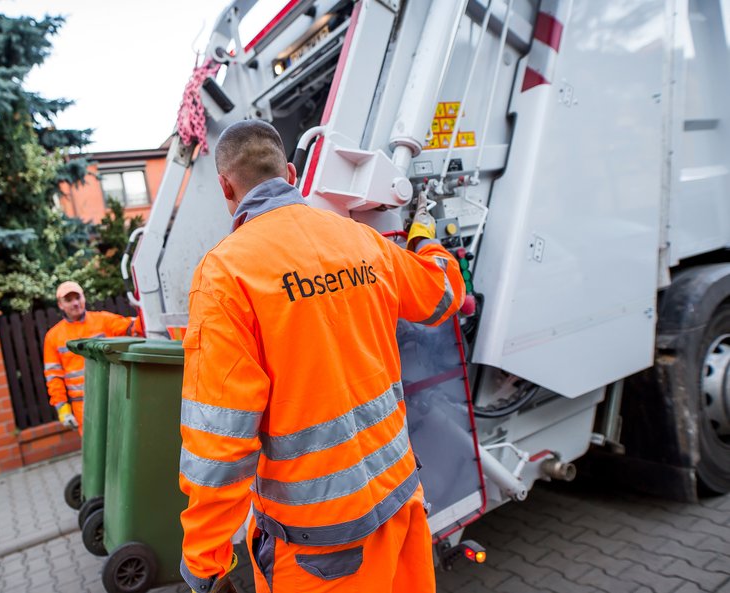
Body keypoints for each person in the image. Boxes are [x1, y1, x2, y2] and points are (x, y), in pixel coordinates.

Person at [177, 120, 465, 593]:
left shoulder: (226, 274)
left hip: (322, 547)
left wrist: (204, 562)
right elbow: (441, 294)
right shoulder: (361, 240)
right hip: (401, 502)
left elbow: (220, 441)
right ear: (290, 173)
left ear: (225, 186)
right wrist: (424, 240)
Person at [43, 281, 142, 435]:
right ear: (60, 305)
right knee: (96, 453)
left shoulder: (103, 320)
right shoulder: (53, 337)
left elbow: (133, 327)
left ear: (84, 298)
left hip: (114, 398)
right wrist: (63, 409)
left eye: (78, 297)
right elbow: (53, 377)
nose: (75, 303)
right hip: (83, 407)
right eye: (69, 300)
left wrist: (146, 313)